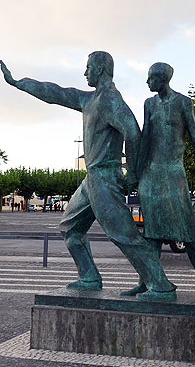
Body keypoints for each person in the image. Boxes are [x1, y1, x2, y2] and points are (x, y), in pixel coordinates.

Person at [0, 53, 176, 301]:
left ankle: (160, 285)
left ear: (101, 69)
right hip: (91, 179)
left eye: (88, 68)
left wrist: (133, 171)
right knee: (70, 228)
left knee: (122, 233)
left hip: (105, 178)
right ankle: (90, 276)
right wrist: (19, 82)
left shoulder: (109, 100)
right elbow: (56, 93)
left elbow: (133, 132)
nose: (85, 73)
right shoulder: (89, 99)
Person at [123, 62, 195, 299]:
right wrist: (134, 172)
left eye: (150, 78)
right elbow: (145, 139)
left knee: (191, 234)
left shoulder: (183, 103)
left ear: (162, 79)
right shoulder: (149, 104)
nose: (147, 83)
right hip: (151, 176)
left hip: (174, 175)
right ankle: (146, 282)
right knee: (152, 234)